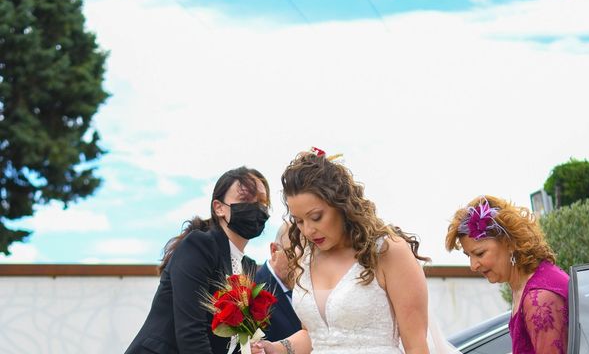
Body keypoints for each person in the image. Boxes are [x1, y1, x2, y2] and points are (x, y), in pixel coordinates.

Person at [251, 149, 433, 354]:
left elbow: (416, 345)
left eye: (317, 216)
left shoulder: (387, 251)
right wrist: (275, 348)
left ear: (341, 205)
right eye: (299, 221)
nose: (308, 230)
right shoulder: (305, 260)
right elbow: (317, 336)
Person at [125, 166, 271, 354]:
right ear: (219, 208)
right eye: (244, 199)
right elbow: (190, 331)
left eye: (261, 201)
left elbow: (225, 339)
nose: (255, 207)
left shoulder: (247, 266)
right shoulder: (199, 246)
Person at [445, 195, 569, 354]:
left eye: (480, 253)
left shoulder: (538, 298)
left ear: (509, 243)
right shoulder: (524, 287)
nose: (473, 266)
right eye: (468, 256)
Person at [254, 222, 302, 341]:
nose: (300, 264)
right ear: (274, 250)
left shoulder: (312, 287)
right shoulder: (253, 293)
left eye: (305, 256)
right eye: (292, 256)